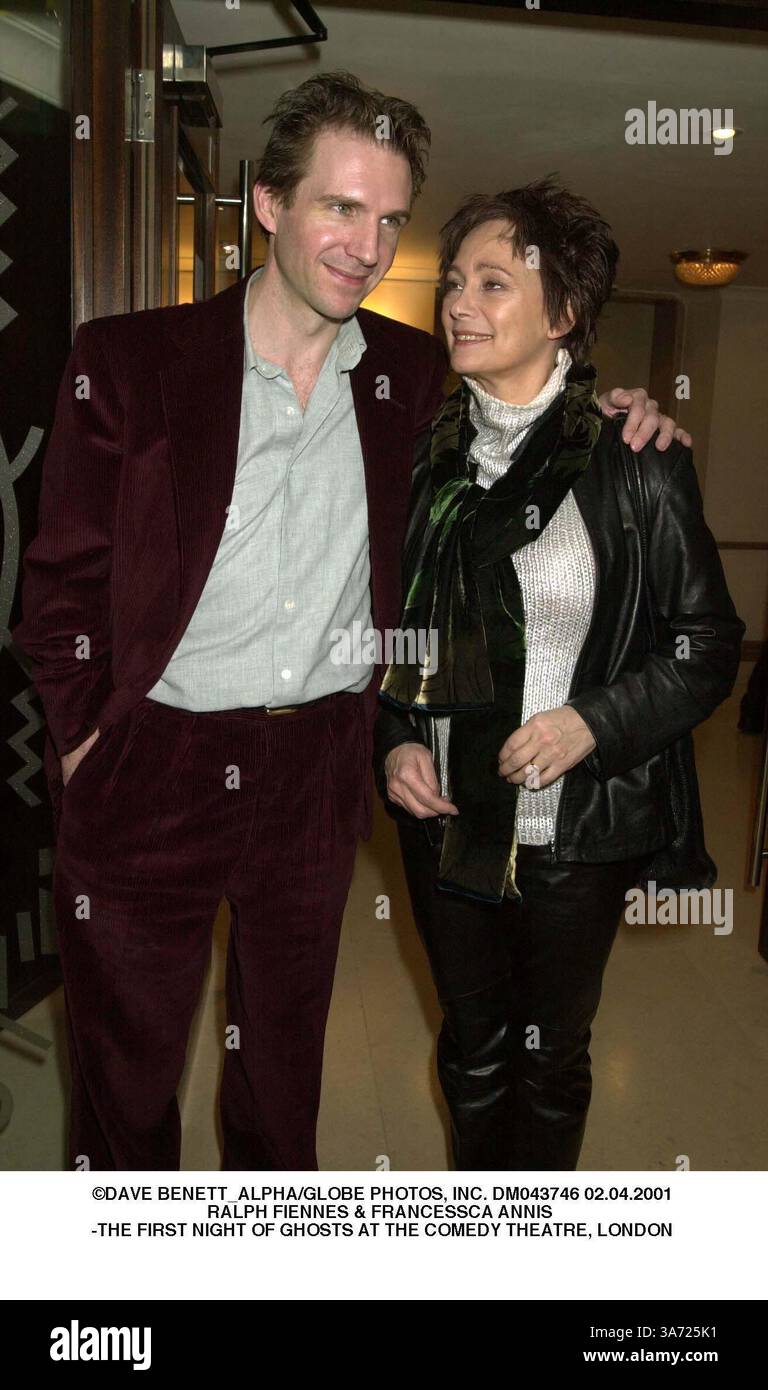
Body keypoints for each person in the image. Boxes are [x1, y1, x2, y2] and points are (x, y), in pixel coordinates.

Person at [13, 73, 685, 1173]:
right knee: (126, 1088)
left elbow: (531, 409)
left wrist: (619, 410)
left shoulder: (416, 377)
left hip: (315, 766)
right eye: (340, 207)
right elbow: (59, 585)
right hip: (152, 759)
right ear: (270, 204)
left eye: (387, 219)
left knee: (282, 1085)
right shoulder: (129, 360)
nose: (366, 244)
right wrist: (90, 734)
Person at [374, 177, 745, 1171]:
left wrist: (593, 721)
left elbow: (709, 644)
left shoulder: (633, 458)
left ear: (566, 313)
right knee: (472, 1046)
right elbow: (385, 632)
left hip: (578, 833)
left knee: (550, 1056)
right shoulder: (420, 457)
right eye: (455, 281)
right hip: (445, 816)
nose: (460, 303)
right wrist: (399, 736)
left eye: (495, 283)